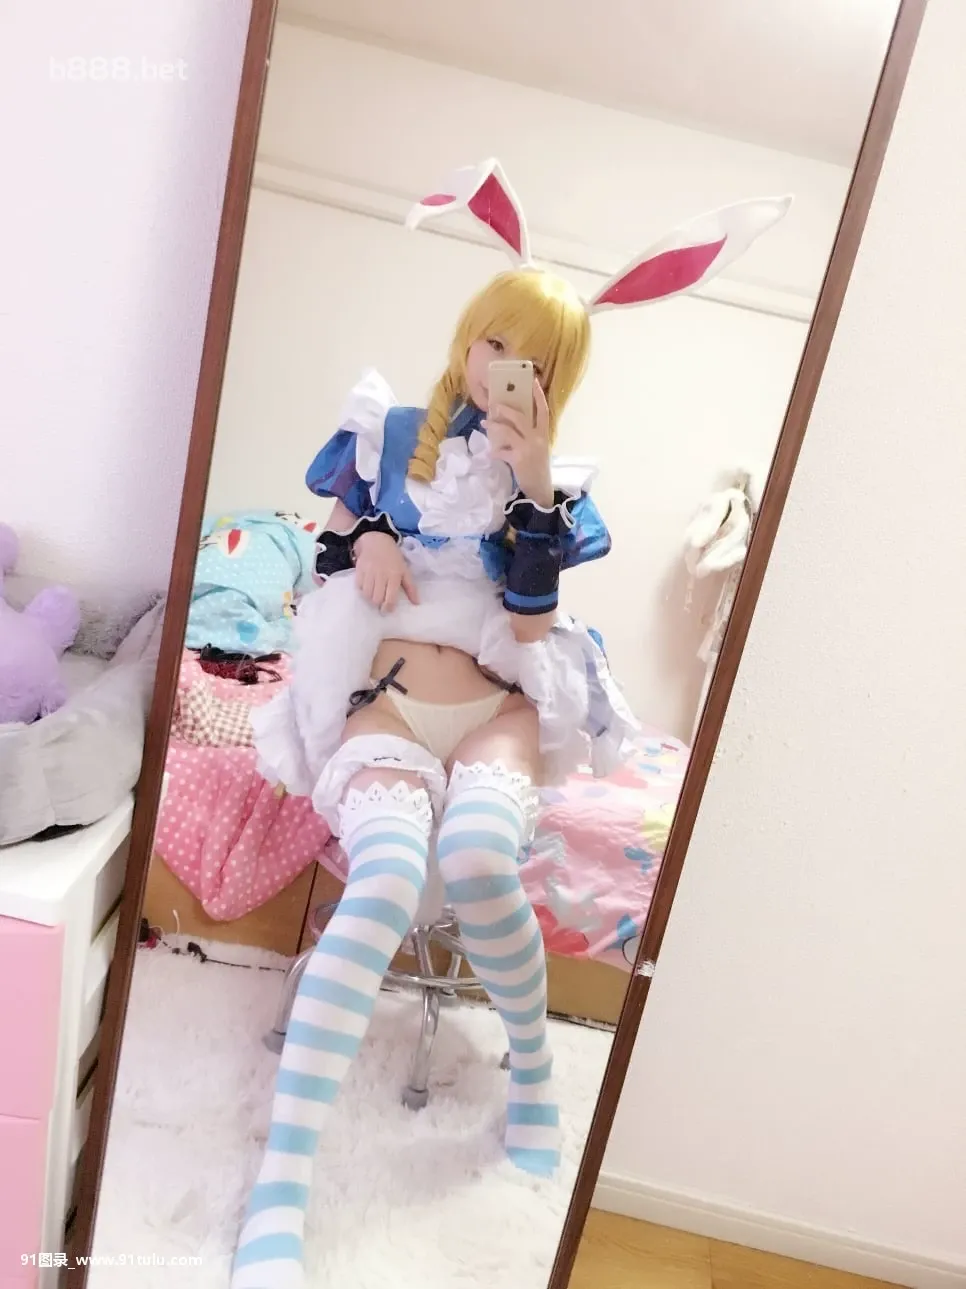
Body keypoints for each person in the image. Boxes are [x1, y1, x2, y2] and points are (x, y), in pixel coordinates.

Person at [231, 160, 790, 1288]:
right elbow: (326, 550)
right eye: (493, 340)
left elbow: (532, 618)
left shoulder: (554, 488)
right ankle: (279, 1190)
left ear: (554, 382)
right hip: (389, 700)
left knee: (484, 857)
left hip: (497, 704)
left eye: (530, 360)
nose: (500, 367)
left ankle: (534, 1082)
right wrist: (367, 540)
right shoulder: (386, 432)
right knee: (386, 877)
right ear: (468, 335)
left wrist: (533, 488)